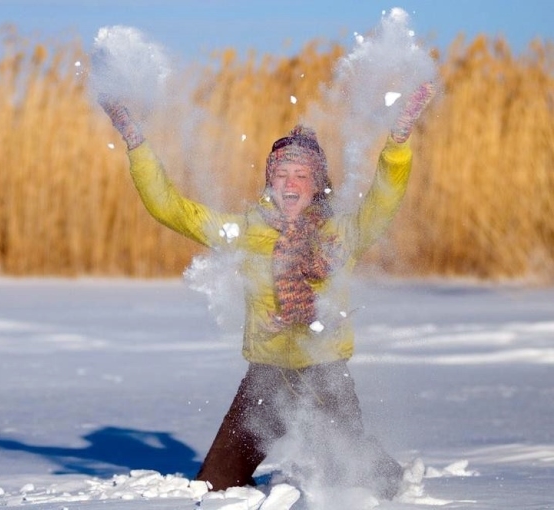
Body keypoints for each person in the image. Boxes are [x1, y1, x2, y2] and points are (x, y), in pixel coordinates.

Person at [98, 82, 435, 500]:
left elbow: (386, 198)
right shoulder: (244, 232)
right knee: (215, 485)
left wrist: (397, 143)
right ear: (268, 181)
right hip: (265, 382)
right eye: (281, 174)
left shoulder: (341, 235)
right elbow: (169, 207)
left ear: (318, 184)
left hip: (326, 376)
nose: (290, 184)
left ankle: (397, 481)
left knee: (355, 479)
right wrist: (136, 144)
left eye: (301, 175)